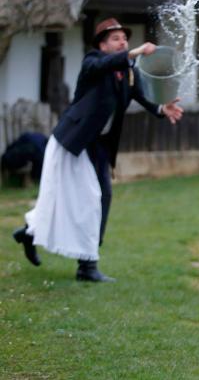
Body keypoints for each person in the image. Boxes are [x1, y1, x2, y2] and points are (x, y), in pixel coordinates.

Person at [11, 18, 183, 281]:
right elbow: (104, 64)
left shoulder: (127, 71)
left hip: (99, 146)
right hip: (74, 142)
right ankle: (75, 260)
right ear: (102, 46)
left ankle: (67, 252)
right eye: (115, 39)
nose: (123, 42)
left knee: (102, 197)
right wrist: (134, 52)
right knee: (79, 198)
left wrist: (161, 109)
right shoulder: (92, 63)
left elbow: (138, 95)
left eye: (125, 38)